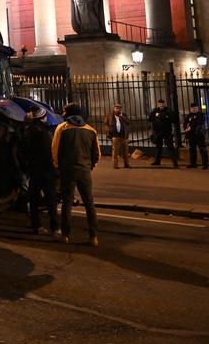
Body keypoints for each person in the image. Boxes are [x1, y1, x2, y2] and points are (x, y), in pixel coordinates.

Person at [51, 103, 101, 246]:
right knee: (89, 203)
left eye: (64, 111)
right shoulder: (90, 130)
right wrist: (89, 166)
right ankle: (93, 236)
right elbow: (97, 154)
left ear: (69, 113)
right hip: (84, 171)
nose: (62, 112)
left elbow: (55, 150)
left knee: (67, 203)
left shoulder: (62, 128)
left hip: (67, 171)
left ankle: (65, 235)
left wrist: (57, 167)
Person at [20, 107, 59, 236]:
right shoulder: (44, 133)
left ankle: (37, 225)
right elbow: (48, 153)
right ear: (42, 118)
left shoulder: (27, 132)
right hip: (46, 171)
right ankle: (55, 227)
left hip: (33, 170)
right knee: (51, 200)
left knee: (34, 200)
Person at [148, 99, 178, 167]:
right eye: (159, 104)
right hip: (158, 132)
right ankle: (157, 161)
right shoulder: (155, 110)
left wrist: (167, 117)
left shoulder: (168, 110)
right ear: (157, 104)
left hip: (167, 132)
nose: (161, 105)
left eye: (162, 104)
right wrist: (154, 119)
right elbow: (150, 119)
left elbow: (173, 119)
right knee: (158, 147)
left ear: (164, 104)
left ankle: (174, 162)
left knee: (170, 147)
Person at [104, 103, 130, 169]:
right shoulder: (109, 115)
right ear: (114, 108)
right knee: (115, 151)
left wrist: (122, 116)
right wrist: (108, 131)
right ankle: (115, 165)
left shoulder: (123, 115)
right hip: (115, 136)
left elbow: (128, 122)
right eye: (116, 108)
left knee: (125, 151)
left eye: (119, 108)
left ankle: (126, 164)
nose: (118, 109)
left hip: (123, 136)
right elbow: (106, 124)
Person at [183, 103, 208, 169]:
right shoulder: (189, 116)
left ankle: (205, 164)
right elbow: (185, 123)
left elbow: (199, 122)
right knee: (192, 149)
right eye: (192, 108)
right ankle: (193, 163)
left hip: (199, 134)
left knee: (202, 149)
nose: (193, 109)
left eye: (195, 108)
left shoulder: (201, 115)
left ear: (197, 108)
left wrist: (190, 127)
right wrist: (185, 128)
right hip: (191, 135)